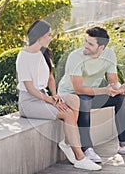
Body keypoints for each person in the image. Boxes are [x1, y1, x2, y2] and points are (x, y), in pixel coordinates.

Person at [16, 20, 101, 171]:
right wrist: (51, 100)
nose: (51, 38)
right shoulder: (23, 56)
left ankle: (68, 142)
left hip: (44, 96)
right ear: (40, 36)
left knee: (74, 100)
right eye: (49, 35)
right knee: (67, 114)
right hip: (29, 102)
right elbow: (30, 88)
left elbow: (50, 78)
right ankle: (80, 157)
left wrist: (55, 95)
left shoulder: (44, 54)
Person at [58, 26, 125, 163]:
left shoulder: (109, 55)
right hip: (70, 95)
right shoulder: (76, 56)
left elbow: (112, 81)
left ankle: (124, 144)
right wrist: (104, 90)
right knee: (84, 100)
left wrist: (119, 88)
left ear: (101, 48)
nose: (85, 45)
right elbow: (79, 89)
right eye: (86, 41)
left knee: (120, 98)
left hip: (91, 93)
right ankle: (87, 148)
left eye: (90, 44)